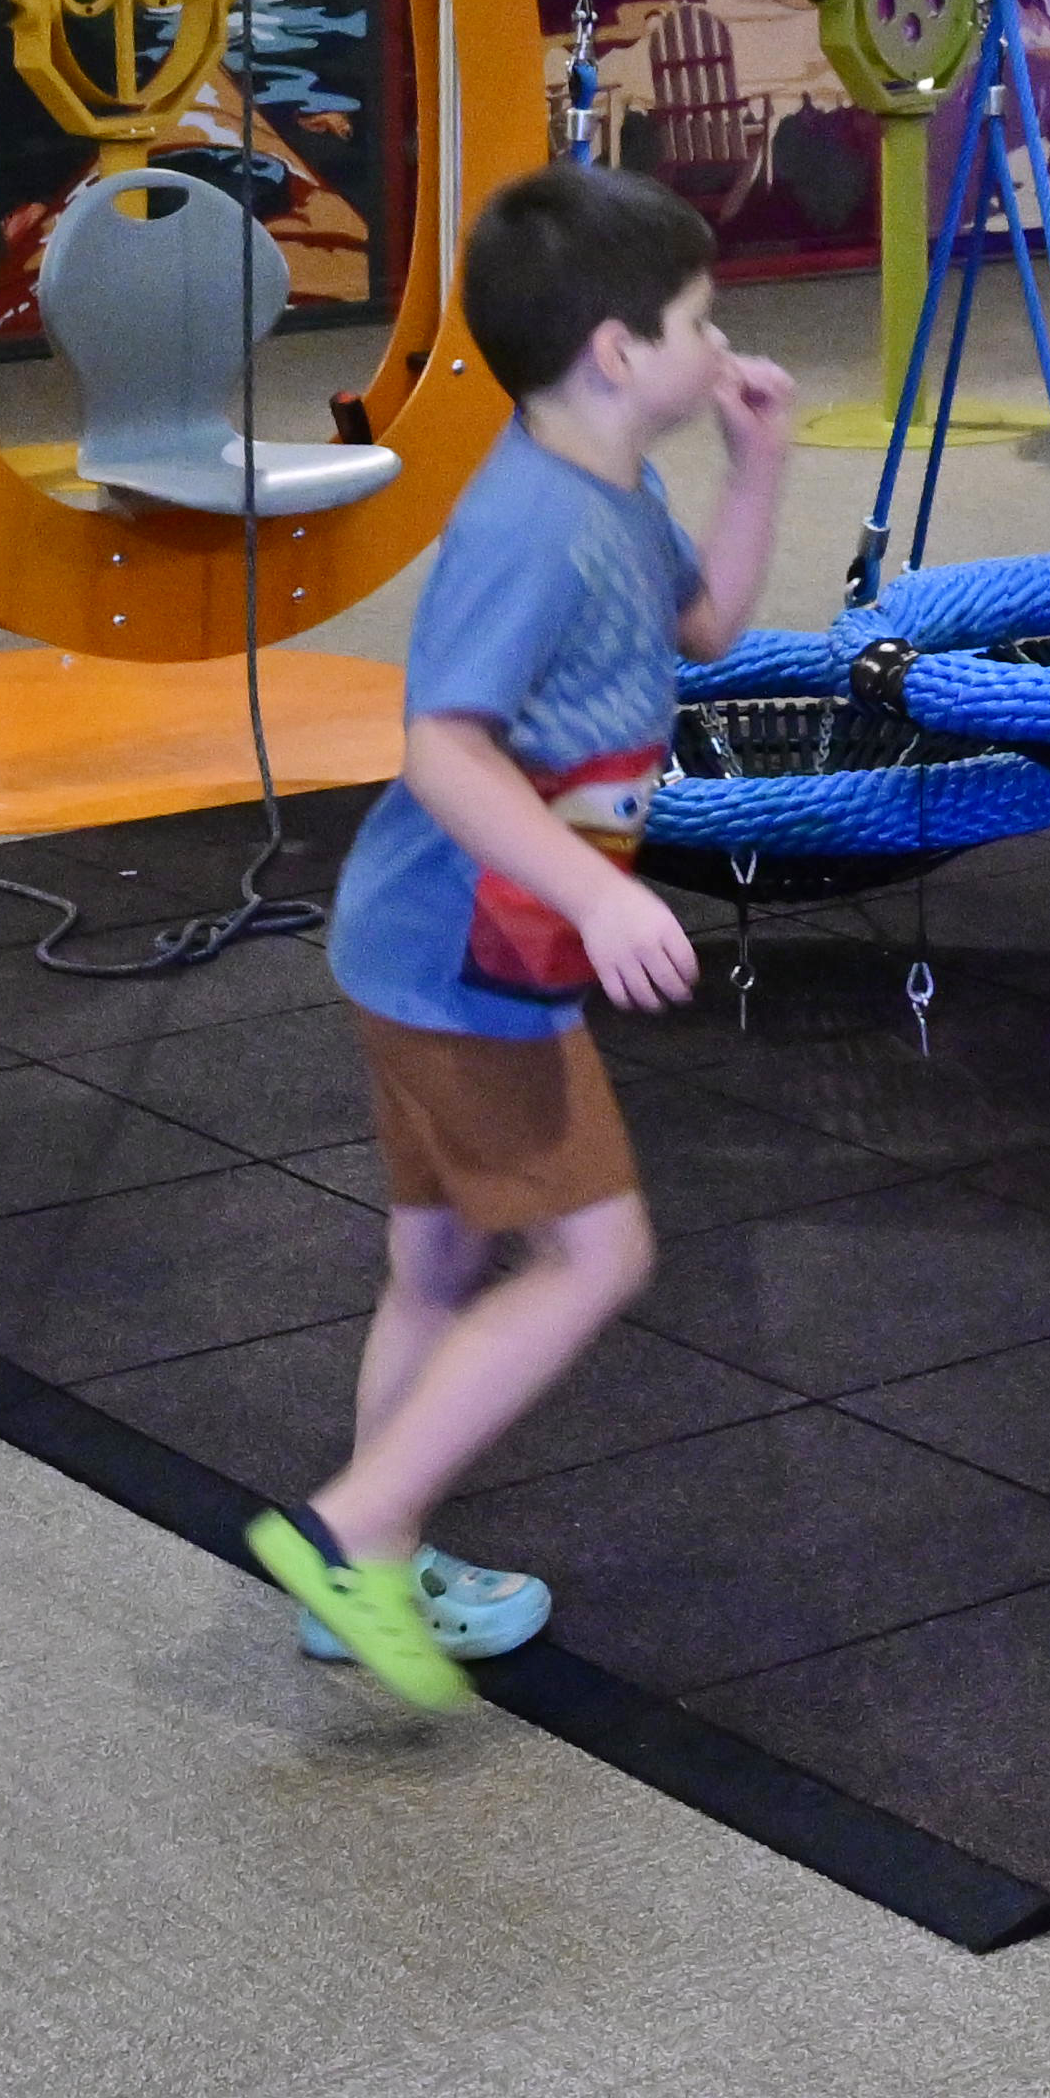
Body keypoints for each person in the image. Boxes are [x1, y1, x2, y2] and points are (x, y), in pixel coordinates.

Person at [252, 161, 791, 1705]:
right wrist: (602, 888)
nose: (721, 345)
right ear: (619, 353)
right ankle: (355, 1530)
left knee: (434, 1260)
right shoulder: (528, 527)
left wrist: (758, 466)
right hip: (469, 957)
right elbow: (444, 750)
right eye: (701, 323)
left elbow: (707, 631)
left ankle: (368, 1567)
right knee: (598, 1253)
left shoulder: (618, 482)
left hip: (441, 945)